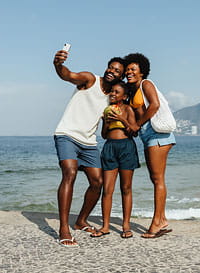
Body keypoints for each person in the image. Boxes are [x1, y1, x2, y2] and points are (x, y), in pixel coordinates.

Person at [53, 48, 126, 247]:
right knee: (70, 173)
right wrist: (58, 64)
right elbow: (68, 75)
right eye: (111, 67)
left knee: (97, 181)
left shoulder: (111, 99)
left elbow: (103, 132)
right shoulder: (90, 79)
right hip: (67, 134)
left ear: (121, 76)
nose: (112, 71)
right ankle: (63, 229)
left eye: (117, 70)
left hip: (89, 143)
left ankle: (80, 220)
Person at [113, 53, 176, 238]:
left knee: (157, 180)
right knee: (156, 178)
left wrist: (137, 125)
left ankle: (156, 223)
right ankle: (162, 220)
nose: (129, 72)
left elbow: (154, 105)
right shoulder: (132, 90)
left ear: (142, 71)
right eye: (128, 70)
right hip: (147, 135)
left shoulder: (146, 84)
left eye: (133, 69)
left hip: (157, 134)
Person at [90, 80, 140, 239]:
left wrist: (122, 119)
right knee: (107, 189)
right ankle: (105, 226)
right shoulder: (107, 111)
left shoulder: (128, 109)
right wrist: (107, 121)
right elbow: (104, 134)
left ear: (124, 96)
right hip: (110, 147)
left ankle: (126, 225)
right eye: (111, 91)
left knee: (126, 188)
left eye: (116, 92)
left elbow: (134, 131)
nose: (112, 94)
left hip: (126, 147)